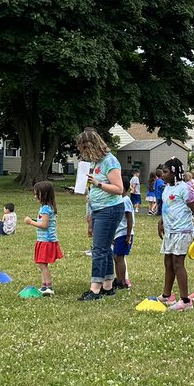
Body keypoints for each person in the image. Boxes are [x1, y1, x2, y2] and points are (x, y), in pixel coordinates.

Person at [77, 128, 125, 301]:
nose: (82, 153)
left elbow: (119, 189)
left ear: (91, 146)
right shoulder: (96, 162)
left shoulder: (110, 161)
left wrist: (97, 183)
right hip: (98, 209)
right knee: (104, 249)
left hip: (110, 209)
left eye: (83, 149)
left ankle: (95, 289)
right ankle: (107, 285)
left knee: (99, 250)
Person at [156, 160, 194, 310]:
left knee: (178, 263)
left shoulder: (185, 189)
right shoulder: (167, 188)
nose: (163, 175)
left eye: (166, 172)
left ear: (175, 172)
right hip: (170, 231)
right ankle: (167, 295)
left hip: (182, 232)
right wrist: (161, 222)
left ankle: (185, 301)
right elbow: (166, 207)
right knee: (168, 262)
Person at [24, 181, 62, 296]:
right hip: (43, 240)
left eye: (37, 194)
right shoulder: (46, 207)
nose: (35, 197)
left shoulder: (46, 209)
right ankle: (44, 286)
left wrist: (31, 222)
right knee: (41, 263)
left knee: (43, 264)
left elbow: (44, 225)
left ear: (44, 195)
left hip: (47, 240)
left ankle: (48, 287)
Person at [111, 184, 135, 290]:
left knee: (119, 257)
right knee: (116, 257)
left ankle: (123, 281)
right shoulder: (120, 200)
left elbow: (129, 218)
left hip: (124, 233)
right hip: (118, 233)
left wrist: (128, 235)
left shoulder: (125, 200)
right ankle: (118, 279)